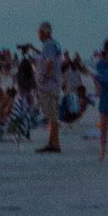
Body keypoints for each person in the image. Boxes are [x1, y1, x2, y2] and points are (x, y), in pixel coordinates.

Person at [36, 21, 64, 154]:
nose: (38, 35)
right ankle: (52, 142)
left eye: (39, 32)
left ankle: (55, 144)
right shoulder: (55, 44)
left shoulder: (48, 45)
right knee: (52, 115)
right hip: (54, 84)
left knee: (52, 115)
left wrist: (42, 76)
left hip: (49, 86)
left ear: (45, 32)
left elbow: (50, 62)